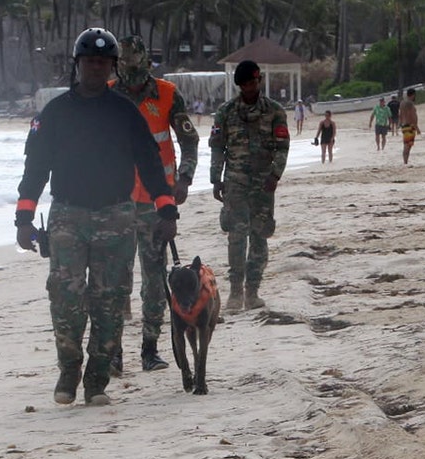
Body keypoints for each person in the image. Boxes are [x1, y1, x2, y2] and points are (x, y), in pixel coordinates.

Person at [15, 27, 178, 407]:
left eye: (102, 62)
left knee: (110, 299)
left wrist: (166, 209)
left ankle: (97, 380)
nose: (94, 68)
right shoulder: (56, 113)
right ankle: (69, 370)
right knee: (65, 297)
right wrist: (23, 219)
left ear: (111, 67)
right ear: (77, 64)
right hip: (67, 216)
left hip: (117, 217)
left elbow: (150, 163)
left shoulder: (126, 112)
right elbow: (35, 168)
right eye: (89, 61)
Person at [110, 35, 200, 376]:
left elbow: (188, 140)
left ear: (147, 65)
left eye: (135, 69)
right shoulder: (107, 94)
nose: (130, 78)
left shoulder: (166, 94)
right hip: (114, 201)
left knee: (153, 279)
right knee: (116, 279)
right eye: (125, 70)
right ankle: (113, 352)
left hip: (155, 201)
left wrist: (185, 179)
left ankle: (150, 348)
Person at [210, 60, 290, 311]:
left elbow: (282, 147)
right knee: (236, 236)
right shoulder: (226, 112)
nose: (250, 88)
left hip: (263, 184)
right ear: (239, 85)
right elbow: (217, 147)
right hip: (235, 183)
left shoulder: (275, 111)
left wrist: (275, 175)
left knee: (259, 235)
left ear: (259, 81)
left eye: (254, 82)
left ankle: (252, 292)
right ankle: (235, 292)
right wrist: (216, 178)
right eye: (246, 84)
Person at [399, 88, 420, 165]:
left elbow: (400, 115)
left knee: (406, 143)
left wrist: (400, 123)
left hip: (404, 125)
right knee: (408, 145)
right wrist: (417, 128)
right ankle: (405, 161)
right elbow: (412, 116)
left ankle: (405, 161)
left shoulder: (402, 103)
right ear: (413, 95)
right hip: (410, 126)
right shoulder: (410, 104)